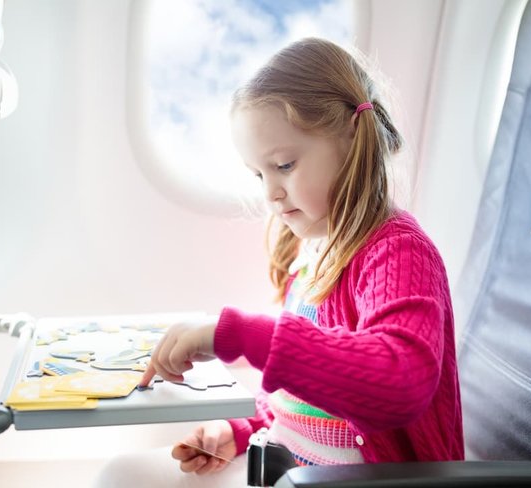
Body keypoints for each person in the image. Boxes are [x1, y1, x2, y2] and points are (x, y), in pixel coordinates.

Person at [95, 37, 463, 487]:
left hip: (360, 480)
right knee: (121, 474)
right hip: (290, 469)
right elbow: (301, 396)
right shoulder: (309, 256)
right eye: (258, 174)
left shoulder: (398, 252)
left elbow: (398, 382)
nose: (269, 192)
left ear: (351, 139)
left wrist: (239, 334)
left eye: (284, 165)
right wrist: (240, 431)